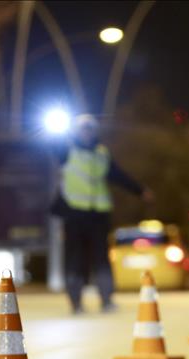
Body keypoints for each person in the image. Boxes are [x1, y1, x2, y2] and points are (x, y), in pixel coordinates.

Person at [52, 114, 153, 314]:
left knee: (101, 257)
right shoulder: (66, 150)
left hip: (98, 214)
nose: (86, 133)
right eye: (82, 129)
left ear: (94, 132)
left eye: (90, 129)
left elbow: (119, 176)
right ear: (76, 132)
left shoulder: (101, 154)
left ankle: (106, 299)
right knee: (75, 258)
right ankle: (76, 301)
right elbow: (51, 144)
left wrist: (141, 191)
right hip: (74, 214)